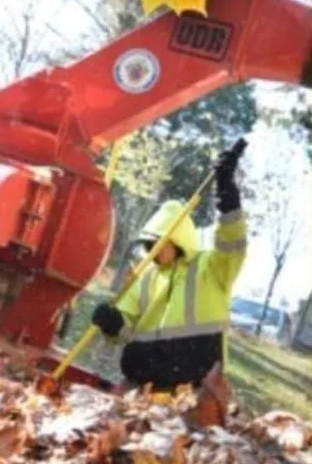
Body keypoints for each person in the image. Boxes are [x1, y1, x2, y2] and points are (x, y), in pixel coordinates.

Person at [90, 144, 248, 392]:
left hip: (195, 392)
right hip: (141, 388)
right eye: (148, 242)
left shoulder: (212, 267)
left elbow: (232, 239)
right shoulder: (146, 277)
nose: (150, 248)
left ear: (175, 239)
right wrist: (112, 323)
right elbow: (125, 330)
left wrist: (227, 194)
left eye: (156, 242)